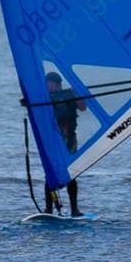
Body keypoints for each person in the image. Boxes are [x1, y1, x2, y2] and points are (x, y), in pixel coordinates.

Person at [42, 72, 85, 216]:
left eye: (48, 83)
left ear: (55, 84)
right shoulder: (43, 97)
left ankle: (74, 209)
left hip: (69, 139)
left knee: (70, 173)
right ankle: (49, 208)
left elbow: (83, 107)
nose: (46, 86)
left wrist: (77, 93)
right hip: (52, 141)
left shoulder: (69, 94)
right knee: (50, 175)